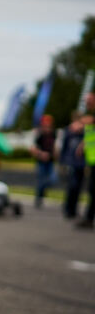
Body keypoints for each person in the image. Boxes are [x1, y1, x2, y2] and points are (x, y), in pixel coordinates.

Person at [60, 112, 87, 220]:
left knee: (78, 187)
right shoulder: (69, 131)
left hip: (81, 162)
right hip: (71, 162)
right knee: (72, 185)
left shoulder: (84, 131)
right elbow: (64, 146)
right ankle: (68, 209)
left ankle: (73, 209)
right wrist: (63, 161)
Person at [76, 92, 95, 229]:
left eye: (89, 99)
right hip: (92, 160)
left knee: (93, 190)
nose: (86, 102)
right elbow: (90, 134)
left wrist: (88, 121)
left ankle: (89, 218)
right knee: (92, 190)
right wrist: (81, 146)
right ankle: (88, 218)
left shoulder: (91, 118)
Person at [31, 114, 57, 209]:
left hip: (50, 161)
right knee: (41, 180)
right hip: (41, 161)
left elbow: (53, 146)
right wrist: (41, 154)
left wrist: (55, 154)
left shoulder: (53, 133)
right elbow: (33, 149)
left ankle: (42, 192)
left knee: (53, 179)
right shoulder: (40, 135)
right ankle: (39, 198)